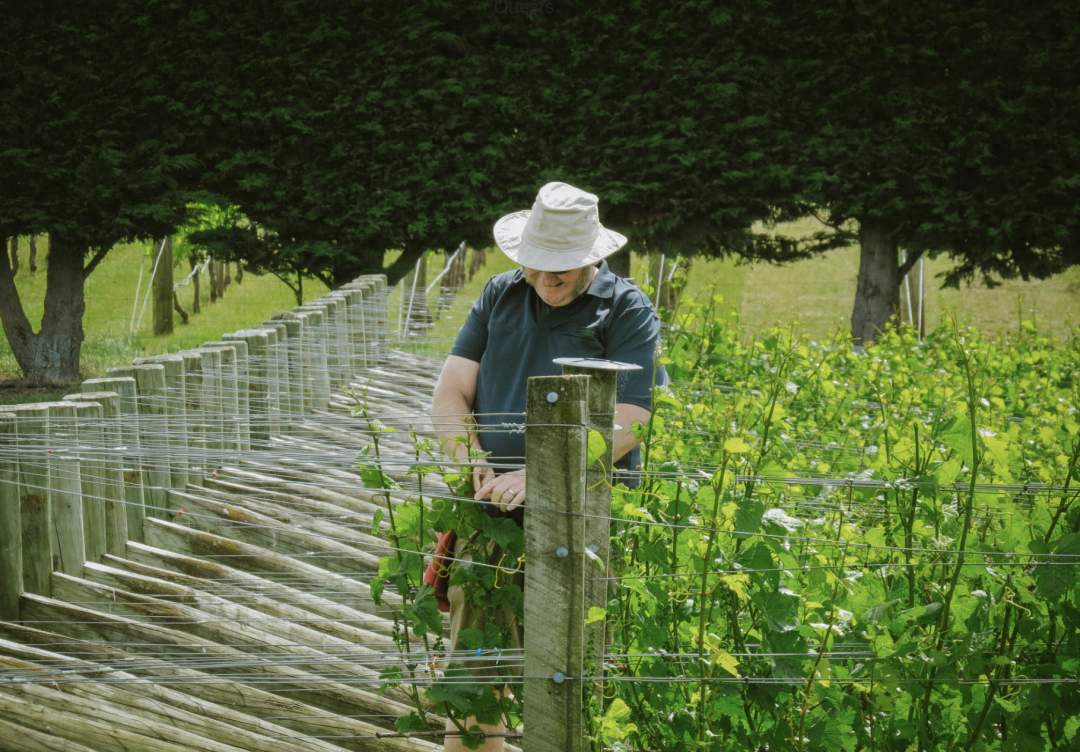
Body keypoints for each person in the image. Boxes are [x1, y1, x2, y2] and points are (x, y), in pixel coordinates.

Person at [430, 181, 667, 752]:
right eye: (536, 265)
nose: (545, 279)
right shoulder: (498, 295)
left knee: (569, 681)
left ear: (592, 256)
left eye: (560, 268)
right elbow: (451, 394)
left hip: (583, 522)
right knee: (474, 679)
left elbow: (635, 417)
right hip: (493, 520)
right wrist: (474, 461)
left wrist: (542, 473)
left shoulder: (627, 309)